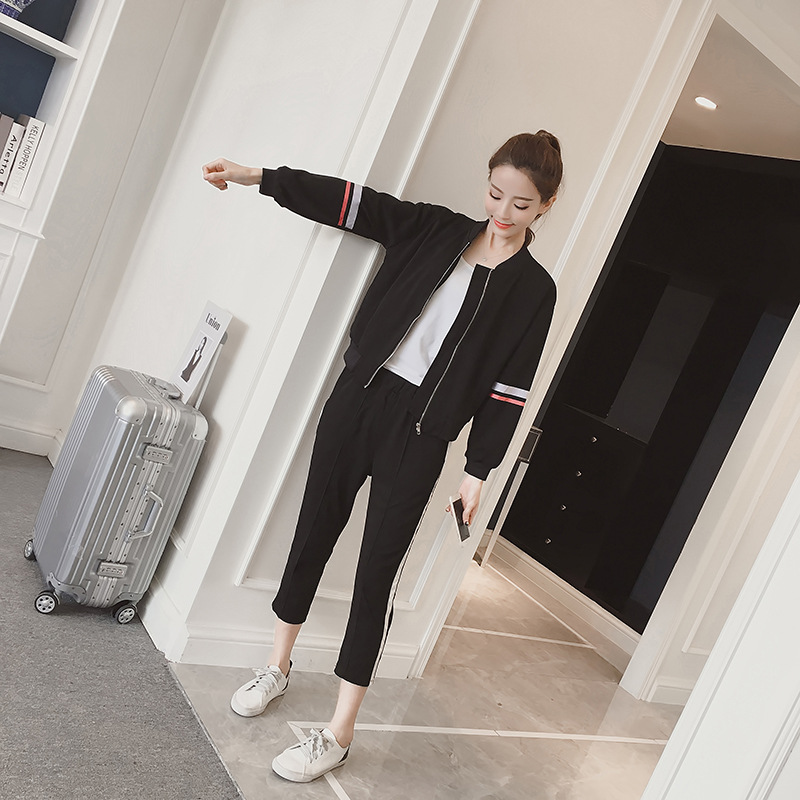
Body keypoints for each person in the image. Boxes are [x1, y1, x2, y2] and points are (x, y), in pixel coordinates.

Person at [202, 131, 562, 783]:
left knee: (376, 574)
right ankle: (276, 667)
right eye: (495, 194)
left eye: (521, 204)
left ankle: (339, 732)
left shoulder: (535, 290)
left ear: (546, 206)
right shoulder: (434, 229)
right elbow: (352, 203)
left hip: (422, 434)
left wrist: (478, 469)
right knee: (312, 533)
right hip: (359, 399)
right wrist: (259, 176)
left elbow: (510, 387)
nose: (503, 212)